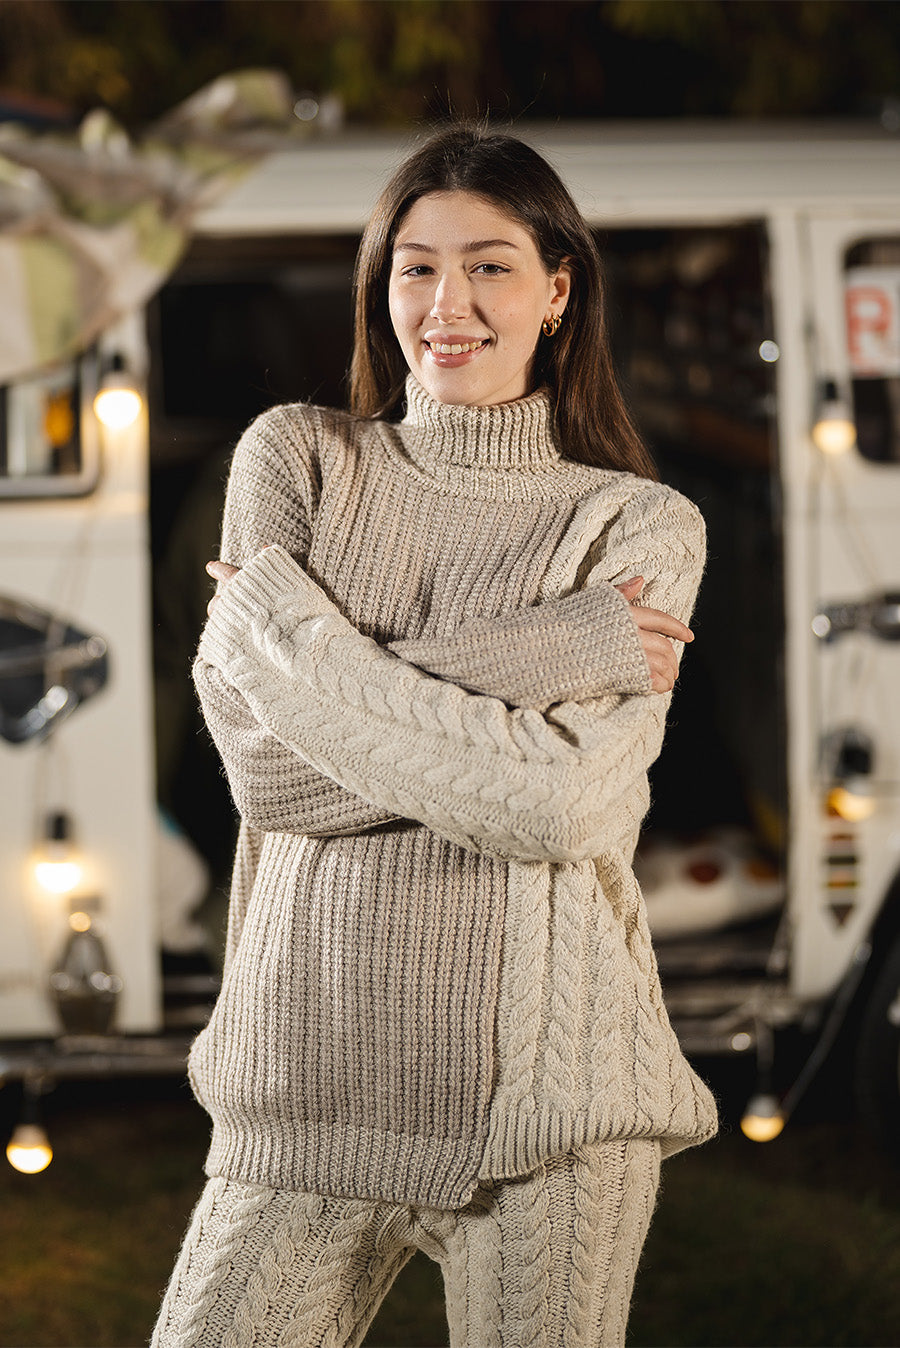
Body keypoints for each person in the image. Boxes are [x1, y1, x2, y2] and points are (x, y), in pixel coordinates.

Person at [152, 124, 718, 1348]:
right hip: (305, 1084)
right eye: (415, 265)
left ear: (559, 290)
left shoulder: (639, 526)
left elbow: (563, 809)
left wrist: (289, 637)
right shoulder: (297, 456)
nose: (446, 303)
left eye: (491, 265)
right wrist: (558, 647)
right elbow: (267, 773)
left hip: (552, 1110)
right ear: (380, 282)